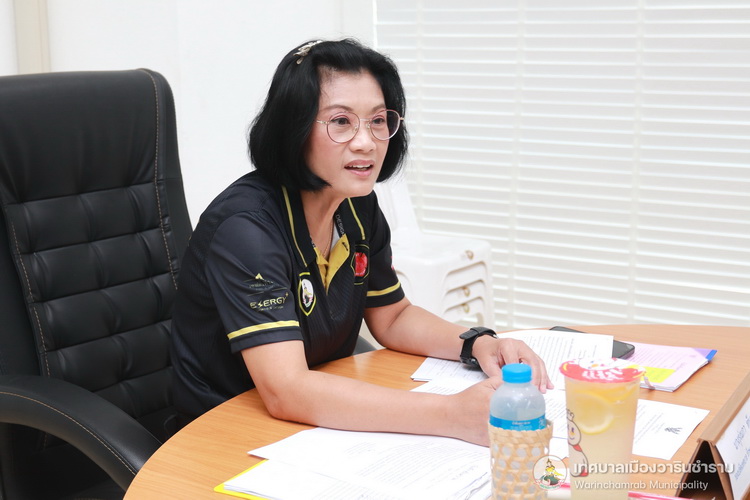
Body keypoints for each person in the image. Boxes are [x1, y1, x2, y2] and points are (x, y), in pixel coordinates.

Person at [170, 38, 552, 446]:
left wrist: (478, 344)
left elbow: (393, 317)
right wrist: (450, 415)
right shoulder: (247, 229)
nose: (366, 142)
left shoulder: (355, 205)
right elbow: (286, 390)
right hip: (220, 432)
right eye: (341, 121)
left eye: (378, 120)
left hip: (309, 421)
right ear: (293, 127)